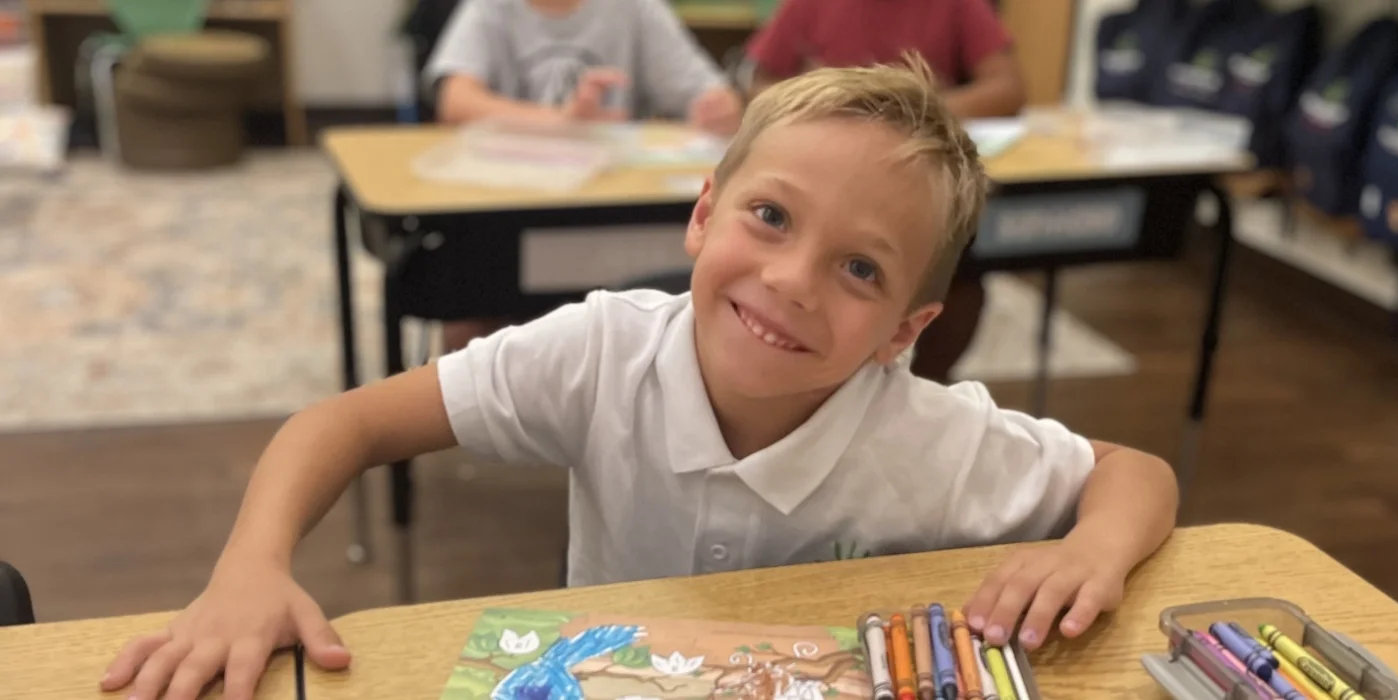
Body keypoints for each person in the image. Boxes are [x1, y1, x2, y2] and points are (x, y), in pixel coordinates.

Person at [99, 56, 1177, 700]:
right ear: (704, 213)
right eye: (769, 217)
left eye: (859, 268)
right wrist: (250, 565)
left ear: (908, 328)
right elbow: (341, 421)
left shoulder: (929, 437)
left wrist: (1092, 547)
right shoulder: (603, 349)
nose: (793, 281)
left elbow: (1133, 472)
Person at [422, 0, 747, 350]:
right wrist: (562, 122)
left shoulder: (635, 9)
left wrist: (721, 106)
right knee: (468, 298)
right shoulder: (492, 8)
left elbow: (705, 91)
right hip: (507, 218)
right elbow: (455, 101)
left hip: (613, 215)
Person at [744, 0, 1027, 383]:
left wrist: (905, 117)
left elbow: (1007, 88)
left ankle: (931, 376)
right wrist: (833, 113)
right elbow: (760, 83)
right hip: (823, 169)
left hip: (915, 182)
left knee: (960, 269)